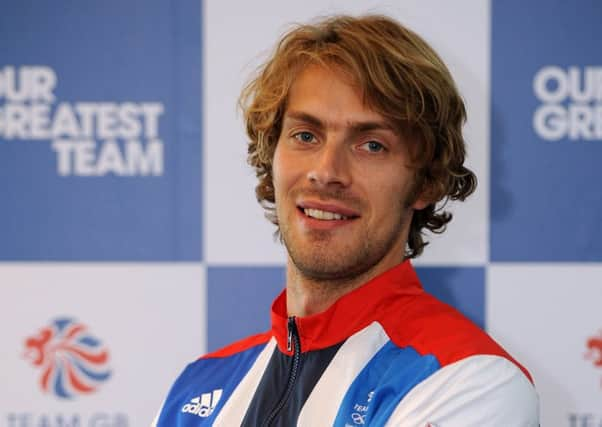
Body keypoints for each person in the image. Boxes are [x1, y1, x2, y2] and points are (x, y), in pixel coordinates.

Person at [154, 14, 538, 426]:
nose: (326, 170)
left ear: (425, 182)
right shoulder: (198, 387)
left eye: (371, 145)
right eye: (306, 135)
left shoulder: (470, 379)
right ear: (271, 156)